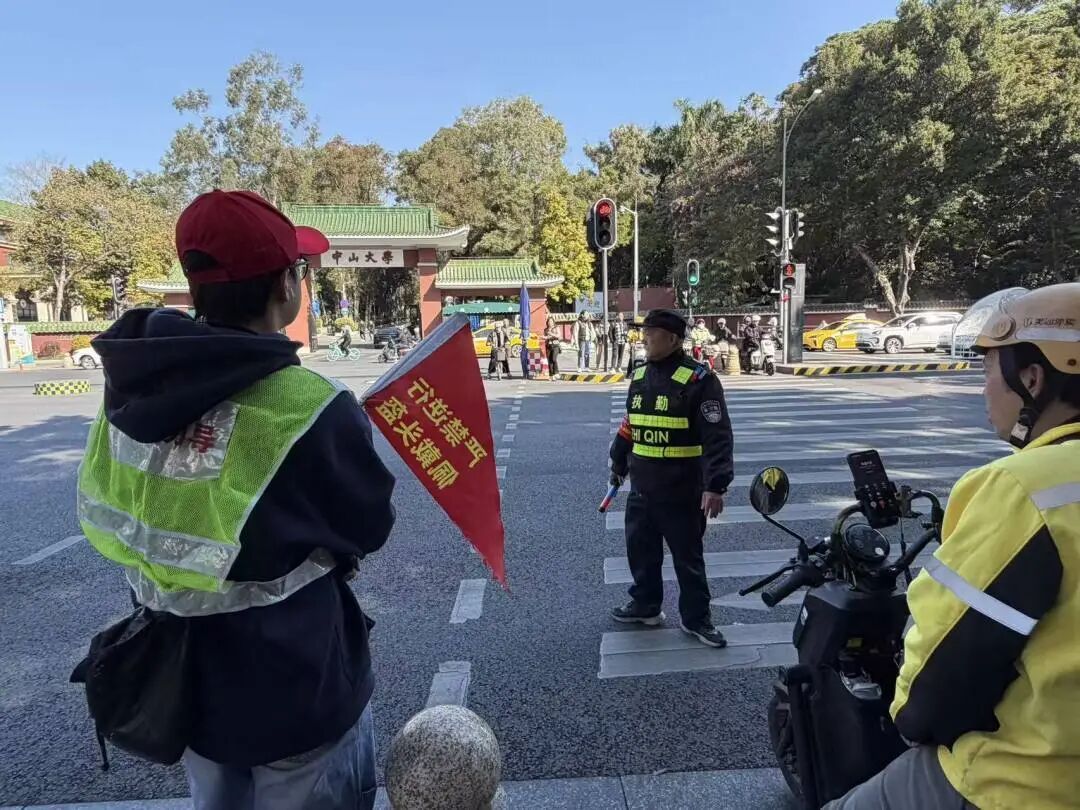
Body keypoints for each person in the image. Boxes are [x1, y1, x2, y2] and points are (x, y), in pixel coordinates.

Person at [75, 190, 396, 810]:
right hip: (295, 679)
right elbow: (370, 523)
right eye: (298, 269)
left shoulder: (129, 393)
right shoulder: (310, 407)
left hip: (183, 676)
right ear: (284, 286)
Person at [825, 283, 1080, 810]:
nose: (984, 388)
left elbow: (946, 670)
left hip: (1034, 779)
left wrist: (911, 720)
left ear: (1033, 379)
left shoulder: (1027, 487)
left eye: (989, 371)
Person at [608, 309, 735, 647]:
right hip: (642, 486)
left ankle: (697, 619)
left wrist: (715, 486)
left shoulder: (699, 380)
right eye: (644, 332)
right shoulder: (639, 376)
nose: (644, 338)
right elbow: (631, 424)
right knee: (641, 550)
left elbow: (717, 437)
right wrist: (618, 460)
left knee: (687, 558)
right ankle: (646, 605)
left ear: (673, 339)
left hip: (682, 489)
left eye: (651, 332)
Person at [543, 316, 561, 380]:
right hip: (548, 346)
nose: (550, 323)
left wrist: (551, 334)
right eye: (549, 321)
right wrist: (543, 337)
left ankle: (556, 372)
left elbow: (558, 336)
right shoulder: (546, 329)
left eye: (551, 321)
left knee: (553, 359)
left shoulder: (556, 328)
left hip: (555, 345)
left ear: (553, 322)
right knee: (549, 361)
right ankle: (551, 375)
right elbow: (546, 337)